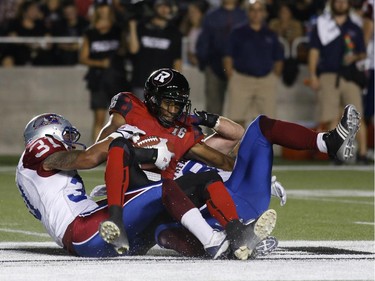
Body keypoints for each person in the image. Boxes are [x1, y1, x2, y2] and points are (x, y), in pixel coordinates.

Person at [97, 68, 277, 260]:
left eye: (178, 105)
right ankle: (234, 234)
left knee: (164, 232)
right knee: (201, 184)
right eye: (168, 103)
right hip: (141, 190)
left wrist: (257, 176)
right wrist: (140, 150)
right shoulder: (132, 111)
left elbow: (225, 156)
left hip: (169, 200)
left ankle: (229, 245)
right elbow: (102, 147)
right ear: (153, 99)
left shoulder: (182, 132)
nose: (174, 110)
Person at [307, 0, 368, 164]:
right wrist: (313, 75)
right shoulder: (322, 24)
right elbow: (314, 51)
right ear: (332, 4)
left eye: (344, 2)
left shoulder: (354, 27)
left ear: (348, 5)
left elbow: (362, 53)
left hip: (350, 77)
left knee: (357, 115)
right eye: (338, 1)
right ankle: (337, 155)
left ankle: (362, 154)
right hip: (328, 75)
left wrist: (354, 57)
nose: (341, 4)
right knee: (331, 116)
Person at [223, 0, 284, 127]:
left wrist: (274, 77)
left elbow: (278, 58)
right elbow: (228, 56)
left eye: (259, 10)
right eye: (253, 10)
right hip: (241, 80)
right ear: (248, 13)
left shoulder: (271, 34)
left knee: (267, 122)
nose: (256, 13)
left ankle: (262, 147)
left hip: (265, 81)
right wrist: (231, 75)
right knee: (236, 120)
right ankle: (238, 147)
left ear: (264, 13)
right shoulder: (237, 32)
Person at [79, 0, 128, 142]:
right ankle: (96, 151)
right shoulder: (91, 32)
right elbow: (83, 57)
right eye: (100, 7)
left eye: (105, 7)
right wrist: (100, 63)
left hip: (118, 78)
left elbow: (125, 50)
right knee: (99, 118)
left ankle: (121, 150)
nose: (103, 10)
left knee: (120, 118)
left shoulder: (118, 30)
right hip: (98, 80)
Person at [195, 0, 247, 115]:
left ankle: (237, 133)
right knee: (213, 108)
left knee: (238, 109)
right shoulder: (211, 15)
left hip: (239, 69)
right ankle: (214, 133)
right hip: (214, 66)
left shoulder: (244, 15)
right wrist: (204, 63)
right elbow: (204, 40)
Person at [127, 0, 183, 99]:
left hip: (163, 86)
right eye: (161, 6)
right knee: (139, 114)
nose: (164, 9)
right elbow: (133, 50)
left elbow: (177, 60)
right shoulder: (142, 27)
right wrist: (132, 26)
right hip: (141, 82)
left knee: (160, 115)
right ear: (154, 7)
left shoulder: (174, 32)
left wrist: (175, 85)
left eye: (167, 6)